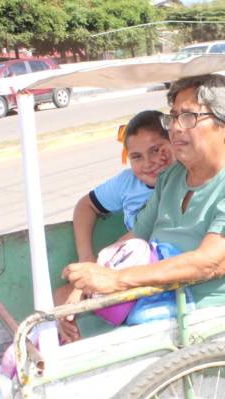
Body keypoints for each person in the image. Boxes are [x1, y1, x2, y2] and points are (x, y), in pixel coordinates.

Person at [61, 73, 225, 327]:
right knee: (59, 319)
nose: (176, 127)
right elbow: (137, 235)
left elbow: (210, 262)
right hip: (159, 301)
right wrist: (90, 278)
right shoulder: (172, 177)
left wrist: (117, 279)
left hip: (214, 315)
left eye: (188, 117)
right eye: (173, 117)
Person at [53, 110, 174, 342]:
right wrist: (86, 258)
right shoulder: (127, 182)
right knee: (62, 295)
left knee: (76, 293)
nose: (148, 163)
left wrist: (97, 270)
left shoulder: (179, 179)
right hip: (129, 256)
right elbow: (86, 206)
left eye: (156, 150)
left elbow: (142, 232)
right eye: (137, 156)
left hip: (158, 263)